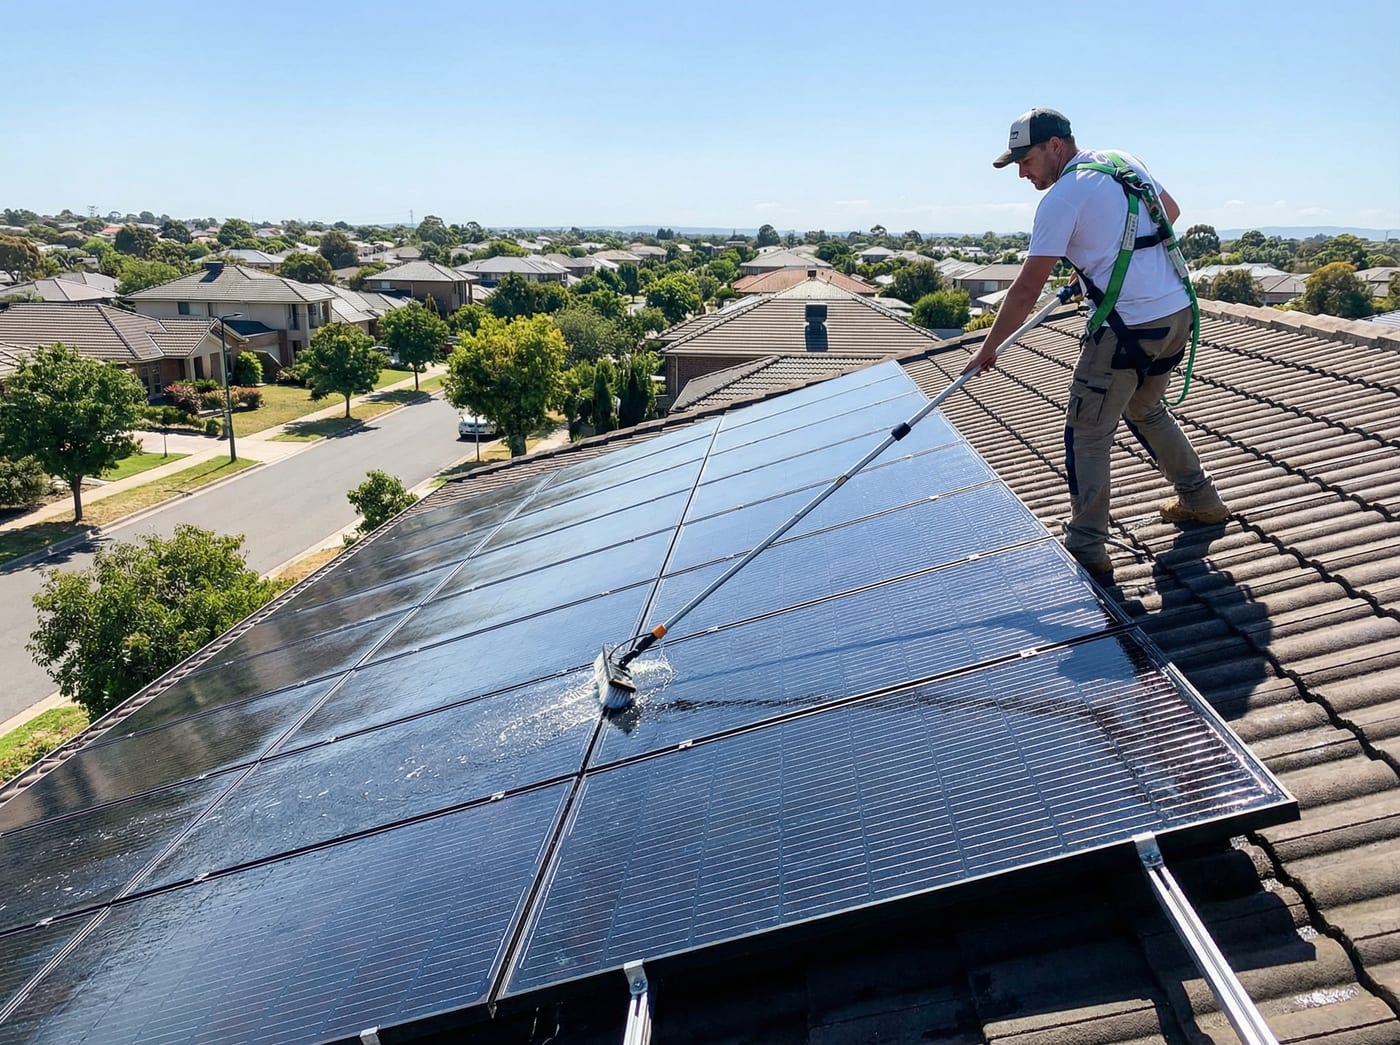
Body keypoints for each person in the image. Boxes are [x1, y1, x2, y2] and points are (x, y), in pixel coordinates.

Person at [964, 107, 1228, 576]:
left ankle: (1087, 545)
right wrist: (1104, 257)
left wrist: (989, 348)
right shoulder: (1121, 161)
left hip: (1126, 331)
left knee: (1087, 433)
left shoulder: (1061, 199)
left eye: (1026, 160)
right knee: (1146, 409)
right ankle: (1202, 500)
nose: (1022, 172)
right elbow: (1169, 213)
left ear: (1055, 147)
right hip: (1175, 315)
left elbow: (1026, 288)